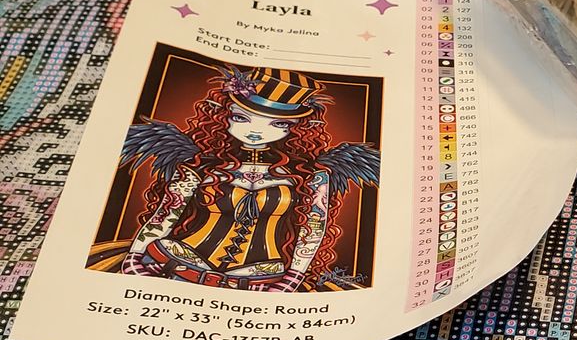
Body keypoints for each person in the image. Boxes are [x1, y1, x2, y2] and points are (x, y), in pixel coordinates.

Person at [89, 65, 378, 292]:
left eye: (277, 123)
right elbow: (166, 215)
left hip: (261, 282)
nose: (257, 131)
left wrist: (291, 280)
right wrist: (134, 260)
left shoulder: (313, 176)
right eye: (241, 118)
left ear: (294, 128)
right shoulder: (200, 166)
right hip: (171, 266)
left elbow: (312, 231)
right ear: (223, 117)